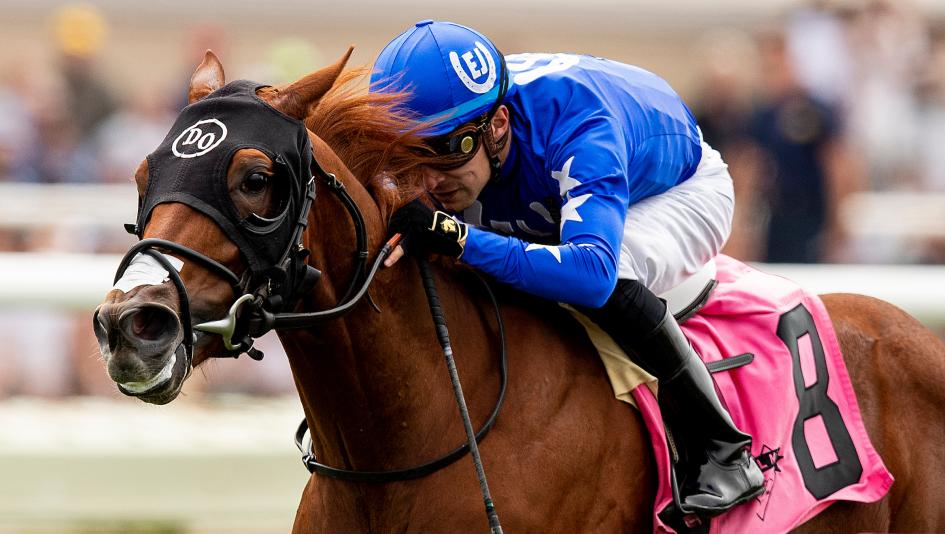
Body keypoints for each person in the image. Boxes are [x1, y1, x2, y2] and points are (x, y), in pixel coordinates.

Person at [372, 20, 763, 517]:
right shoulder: (464, 130)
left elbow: (591, 274)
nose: (429, 179)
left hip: (677, 191)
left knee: (611, 271)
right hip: (543, 183)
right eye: (411, 154)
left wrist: (459, 238)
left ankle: (722, 449)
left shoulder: (580, 126)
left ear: (497, 125)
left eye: (448, 150)